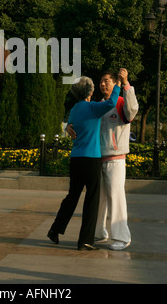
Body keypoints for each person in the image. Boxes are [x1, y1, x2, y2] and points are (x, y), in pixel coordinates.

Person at [67, 68, 139, 251]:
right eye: (101, 81)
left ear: (115, 83)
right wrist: (68, 127)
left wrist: (126, 84)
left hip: (116, 157)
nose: (103, 84)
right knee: (99, 199)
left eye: (107, 81)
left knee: (115, 196)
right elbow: (80, 119)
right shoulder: (98, 105)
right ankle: (99, 233)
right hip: (97, 158)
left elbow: (132, 112)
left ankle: (122, 237)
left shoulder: (121, 101)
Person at [47, 75, 121, 251]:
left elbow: (70, 127)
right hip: (91, 159)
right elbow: (111, 103)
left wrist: (67, 128)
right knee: (91, 199)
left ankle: (55, 229)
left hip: (76, 158)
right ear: (90, 91)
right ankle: (85, 240)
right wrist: (117, 84)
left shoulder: (74, 110)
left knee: (72, 196)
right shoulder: (93, 108)